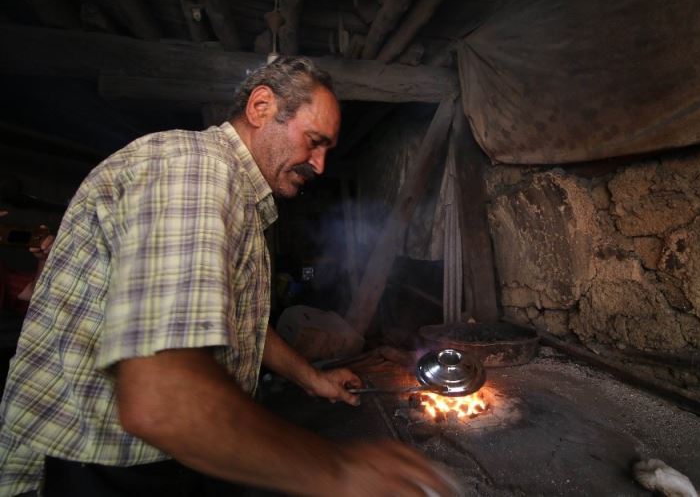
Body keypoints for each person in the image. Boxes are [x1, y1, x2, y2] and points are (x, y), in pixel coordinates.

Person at [0, 57, 456, 497]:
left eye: (327, 150)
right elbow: (165, 402)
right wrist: (342, 473)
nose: (319, 164)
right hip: (101, 465)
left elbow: (238, 322)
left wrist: (311, 378)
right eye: (313, 141)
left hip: (148, 459)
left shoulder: (232, 190)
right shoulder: (197, 172)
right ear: (261, 107)